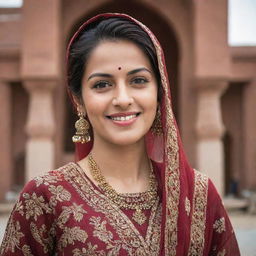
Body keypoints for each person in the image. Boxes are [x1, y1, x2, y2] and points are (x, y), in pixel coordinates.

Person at [0, 13, 240, 255]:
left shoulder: (199, 195)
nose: (123, 99)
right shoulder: (44, 197)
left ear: (160, 92)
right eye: (102, 84)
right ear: (78, 100)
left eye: (138, 80)